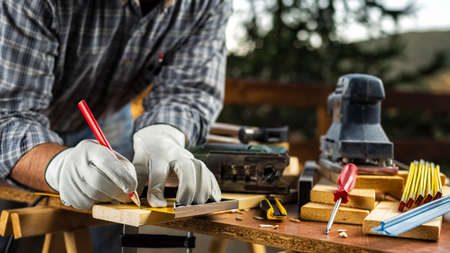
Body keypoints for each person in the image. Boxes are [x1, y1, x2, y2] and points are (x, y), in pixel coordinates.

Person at [0, 0, 231, 252]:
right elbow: (6, 113)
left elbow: (187, 89)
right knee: (10, 230)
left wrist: (166, 133)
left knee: (115, 211)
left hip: (104, 112)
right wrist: (58, 166)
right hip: (15, 113)